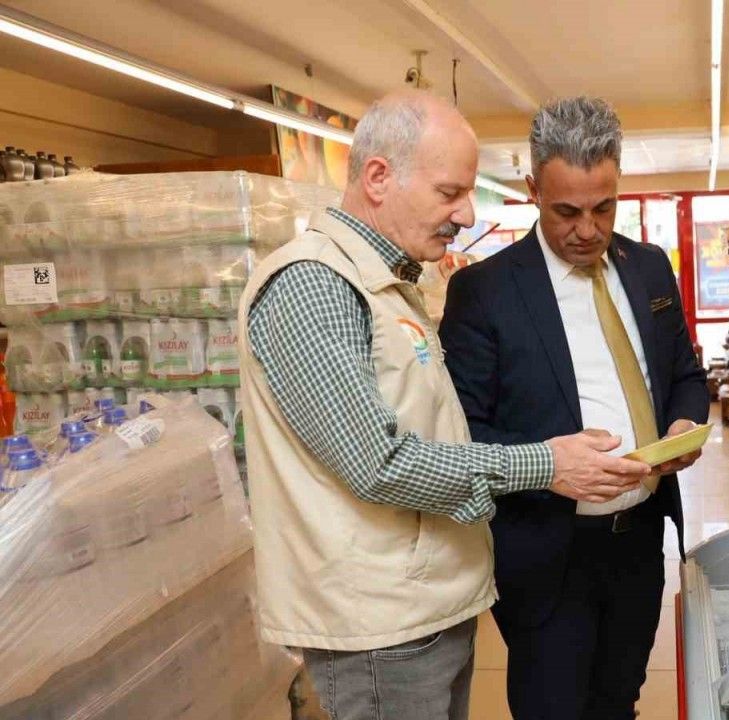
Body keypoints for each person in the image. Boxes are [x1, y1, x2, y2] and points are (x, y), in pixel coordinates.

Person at [236, 90, 651, 720]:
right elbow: (378, 463)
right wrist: (547, 464)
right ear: (379, 178)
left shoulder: (385, 285)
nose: (466, 214)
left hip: (423, 608)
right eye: (449, 193)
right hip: (378, 625)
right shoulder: (314, 286)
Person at [440, 96, 710, 720]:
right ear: (533, 191)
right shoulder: (484, 291)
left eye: (603, 208)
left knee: (619, 700)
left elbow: (684, 375)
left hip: (639, 540)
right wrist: (549, 466)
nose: (587, 229)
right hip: (547, 553)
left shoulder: (649, 268)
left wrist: (684, 422)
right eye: (566, 211)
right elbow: (463, 433)